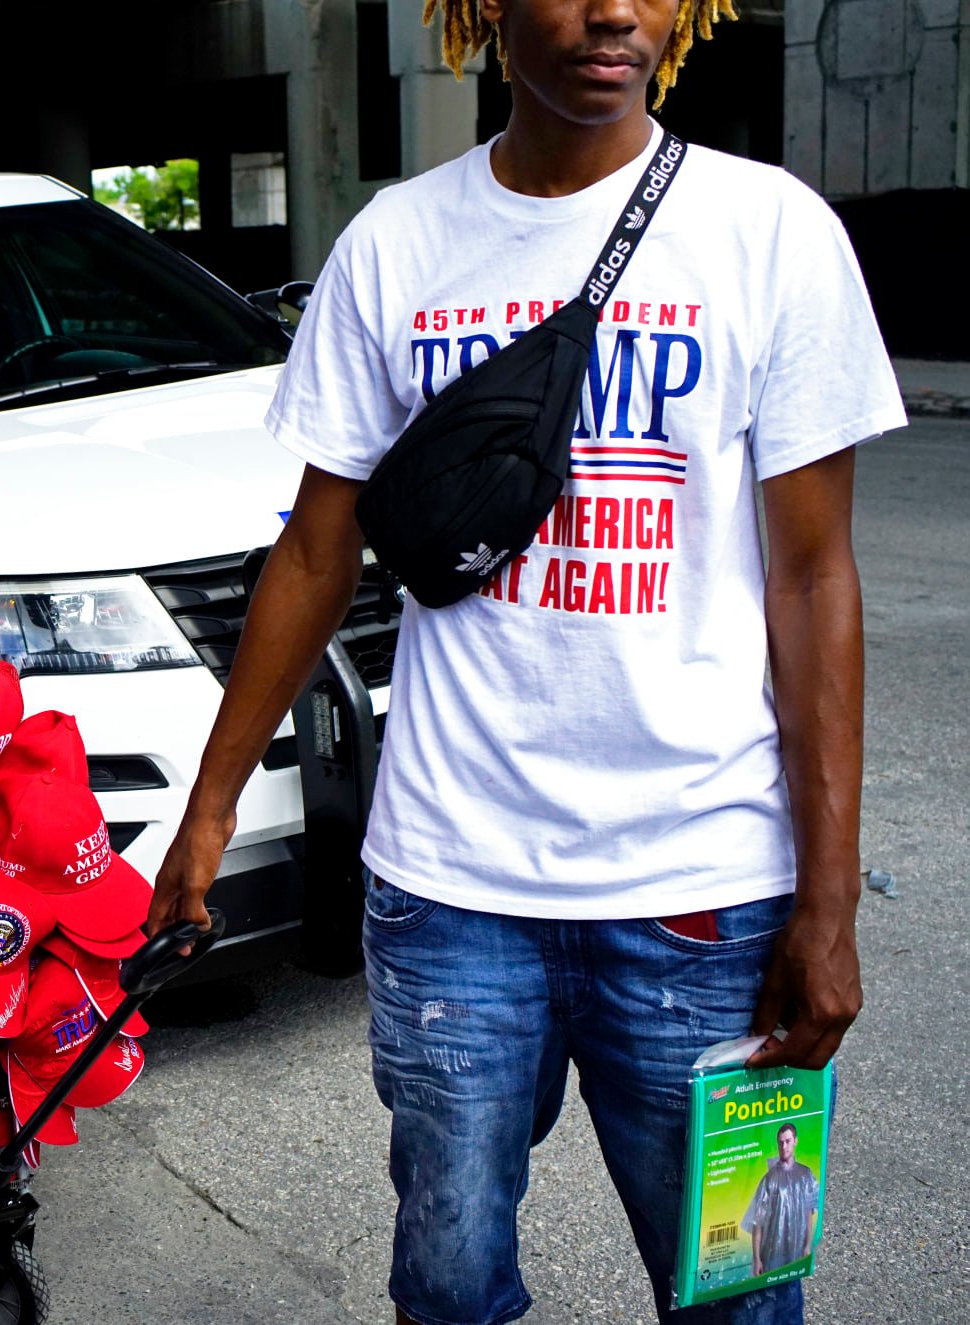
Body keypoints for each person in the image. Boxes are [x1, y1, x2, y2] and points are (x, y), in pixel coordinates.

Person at [145, 0, 906, 1322]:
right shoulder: (397, 245)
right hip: (453, 892)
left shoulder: (772, 233)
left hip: (705, 891)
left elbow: (811, 580)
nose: (614, 11)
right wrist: (208, 814)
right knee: (447, 1291)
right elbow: (316, 552)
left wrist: (827, 904)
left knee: (736, 1299)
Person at [744, 1123, 820, 1276]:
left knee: (792, 1281)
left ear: (795, 1141)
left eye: (788, 1141)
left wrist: (807, 1245)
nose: (784, 1146)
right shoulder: (769, 1179)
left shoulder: (805, 1175)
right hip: (772, 1253)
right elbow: (757, 1223)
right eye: (780, 1142)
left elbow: (808, 1213)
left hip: (796, 1249)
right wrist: (757, 1259)